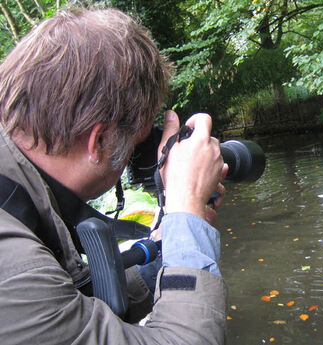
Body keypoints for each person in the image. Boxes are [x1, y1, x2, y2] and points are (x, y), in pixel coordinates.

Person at [0, 6, 228, 345]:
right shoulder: (16, 270)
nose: (131, 160)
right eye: (136, 142)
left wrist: (171, 252)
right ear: (100, 140)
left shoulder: (18, 198)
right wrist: (187, 211)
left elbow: (74, 308)